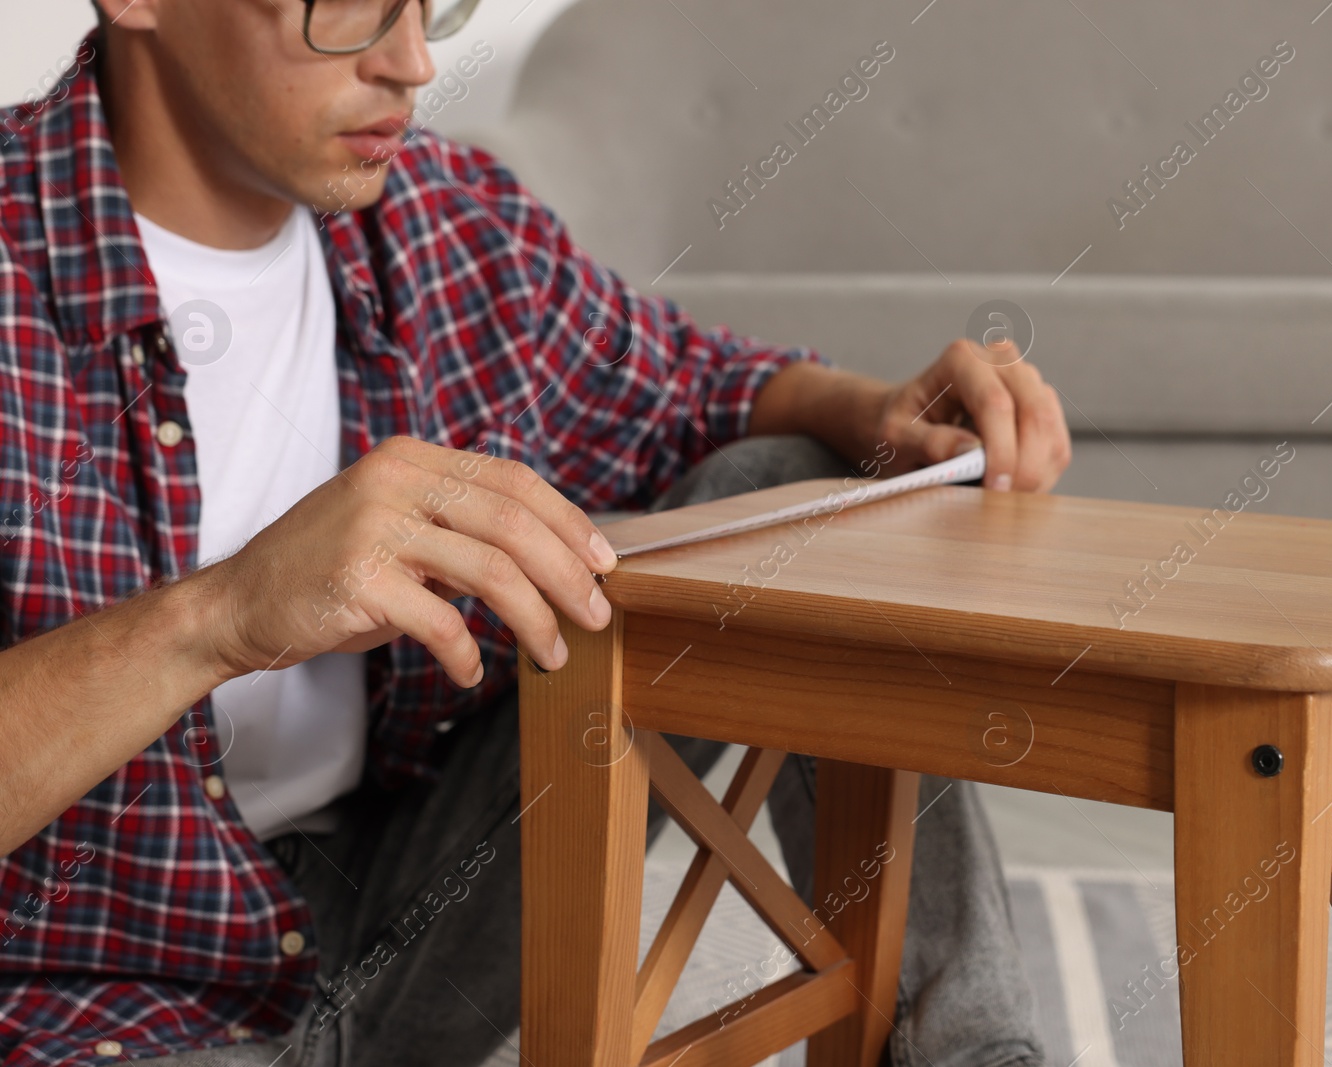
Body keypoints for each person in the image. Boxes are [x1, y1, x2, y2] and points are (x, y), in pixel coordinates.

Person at [0, 1, 1072, 1064]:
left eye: (428, 4)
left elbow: (702, 391)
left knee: (789, 487)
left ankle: (969, 1053)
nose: (410, 61)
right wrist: (222, 614)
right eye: (344, 6)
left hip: (404, 917)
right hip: (90, 998)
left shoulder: (446, 221)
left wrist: (874, 410)